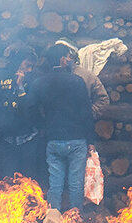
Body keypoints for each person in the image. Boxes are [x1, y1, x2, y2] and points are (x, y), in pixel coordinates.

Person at [27, 42, 107, 212]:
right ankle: (75, 221)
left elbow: (30, 109)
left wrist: (41, 126)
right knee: (75, 184)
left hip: (53, 140)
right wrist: (90, 140)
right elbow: (86, 113)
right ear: (63, 59)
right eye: (69, 57)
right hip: (76, 140)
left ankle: (53, 219)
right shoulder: (77, 82)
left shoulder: (39, 83)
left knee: (55, 184)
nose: (70, 60)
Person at [0, 45, 43, 184]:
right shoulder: (1, 78)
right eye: (27, 65)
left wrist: (20, 88)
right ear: (18, 62)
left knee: (28, 181)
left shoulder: (35, 81)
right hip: (6, 140)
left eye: (32, 66)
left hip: (28, 139)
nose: (29, 70)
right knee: (6, 180)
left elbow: (29, 108)